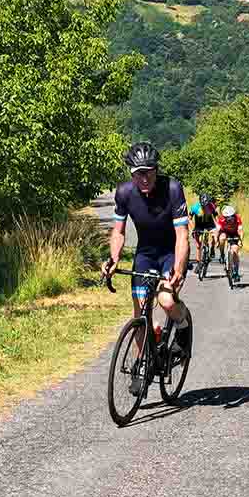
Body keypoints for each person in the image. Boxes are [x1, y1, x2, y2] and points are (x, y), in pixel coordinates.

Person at [101, 141, 191, 394]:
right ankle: (143, 364)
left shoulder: (172, 189)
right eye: (139, 172)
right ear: (131, 172)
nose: (144, 178)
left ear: (156, 169)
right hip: (145, 254)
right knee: (140, 313)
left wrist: (179, 270)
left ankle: (183, 329)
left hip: (170, 252)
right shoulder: (124, 193)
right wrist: (114, 258)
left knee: (166, 300)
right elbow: (118, 232)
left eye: (149, 171)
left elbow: (182, 234)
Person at [189, 193, 218, 273]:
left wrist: (218, 227)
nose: (205, 206)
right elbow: (190, 219)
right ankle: (199, 263)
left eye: (206, 205)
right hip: (199, 225)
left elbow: (216, 217)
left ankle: (212, 248)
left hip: (209, 224)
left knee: (215, 235)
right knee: (198, 246)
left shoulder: (212, 206)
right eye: (203, 205)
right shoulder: (195, 207)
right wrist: (192, 229)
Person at [217, 204, 244, 282]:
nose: (230, 219)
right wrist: (217, 241)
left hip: (234, 234)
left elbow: (240, 231)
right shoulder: (221, 219)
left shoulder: (237, 219)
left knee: (235, 250)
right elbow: (218, 231)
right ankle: (222, 254)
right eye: (227, 218)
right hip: (225, 232)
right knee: (222, 238)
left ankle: (235, 272)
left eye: (231, 217)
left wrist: (240, 241)